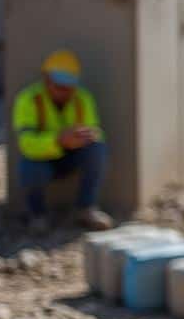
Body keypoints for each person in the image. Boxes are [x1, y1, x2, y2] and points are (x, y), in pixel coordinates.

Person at [13, 50, 112, 233]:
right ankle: (37, 214)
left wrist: (85, 137)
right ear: (46, 80)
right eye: (59, 86)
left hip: (72, 156)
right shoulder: (29, 100)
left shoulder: (83, 98)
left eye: (69, 86)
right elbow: (26, 143)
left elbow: (95, 134)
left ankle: (86, 208)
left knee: (97, 149)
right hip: (41, 159)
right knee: (29, 167)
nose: (65, 92)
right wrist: (58, 141)